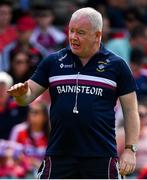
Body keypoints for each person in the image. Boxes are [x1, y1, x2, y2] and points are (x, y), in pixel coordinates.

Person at [8, 7, 140, 179]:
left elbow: (131, 111)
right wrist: (20, 94)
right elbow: (27, 97)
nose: (73, 37)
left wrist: (130, 150)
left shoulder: (117, 66)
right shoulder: (53, 61)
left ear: (97, 35)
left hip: (101, 156)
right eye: (71, 31)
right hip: (59, 155)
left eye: (81, 32)